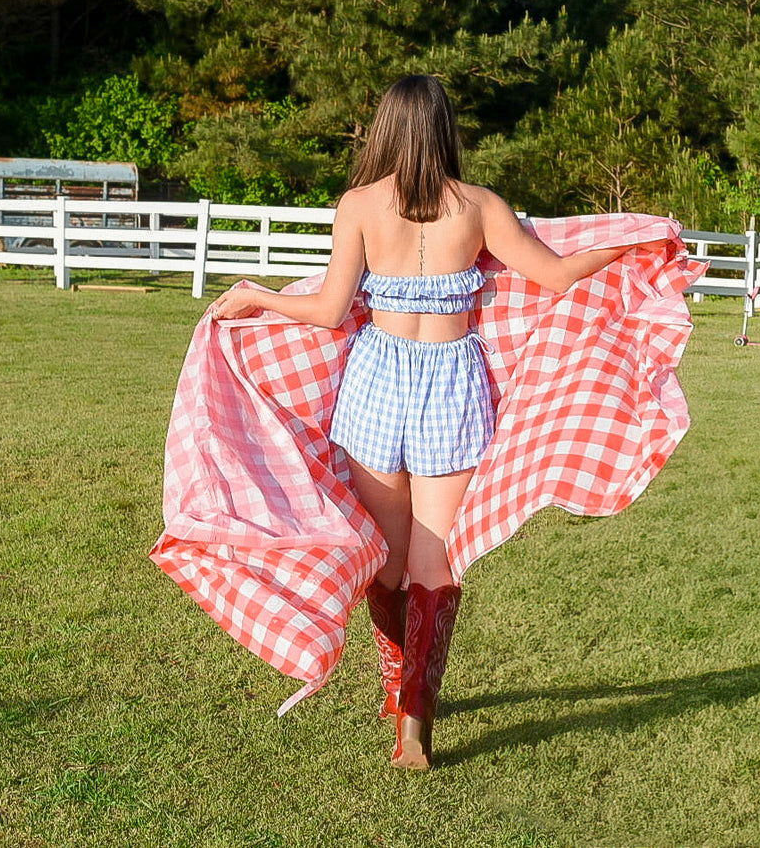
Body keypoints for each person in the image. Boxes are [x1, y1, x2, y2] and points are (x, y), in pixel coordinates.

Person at [205, 74, 643, 770]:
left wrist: (257, 297)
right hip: (451, 381)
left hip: (376, 378)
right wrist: (633, 241)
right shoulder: (478, 206)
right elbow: (557, 278)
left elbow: (326, 309)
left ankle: (394, 688)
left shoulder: (357, 204)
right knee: (433, 559)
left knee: (385, 556)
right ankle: (415, 715)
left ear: (382, 128)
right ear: (445, 129)